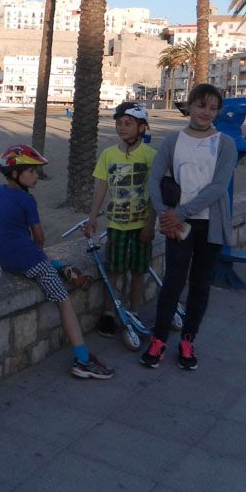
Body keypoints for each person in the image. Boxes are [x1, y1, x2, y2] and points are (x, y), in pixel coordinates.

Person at [0, 144, 114, 379]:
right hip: (30, 261)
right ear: (16, 173)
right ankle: (82, 359)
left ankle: (61, 268)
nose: (37, 176)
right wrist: (38, 254)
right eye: (32, 172)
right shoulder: (27, 201)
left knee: (43, 263)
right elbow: (39, 237)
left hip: (7, 263)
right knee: (63, 302)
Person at [142, 84, 237, 371]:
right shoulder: (173, 141)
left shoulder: (225, 144)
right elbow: (154, 180)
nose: (205, 112)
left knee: (200, 284)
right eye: (200, 105)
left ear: (217, 111)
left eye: (212, 107)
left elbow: (219, 187)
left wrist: (179, 213)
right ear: (190, 106)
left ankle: (187, 340)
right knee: (173, 281)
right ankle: (159, 340)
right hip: (178, 226)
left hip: (210, 225)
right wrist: (164, 214)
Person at [84, 102, 156, 338]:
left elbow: (156, 193)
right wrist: (92, 217)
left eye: (129, 123)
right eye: (119, 123)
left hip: (140, 225)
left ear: (141, 127)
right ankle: (109, 313)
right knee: (113, 270)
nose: (122, 127)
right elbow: (101, 187)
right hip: (116, 224)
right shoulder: (108, 155)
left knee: (137, 271)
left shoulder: (151, 156)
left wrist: (149, 224)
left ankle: (134, 311)